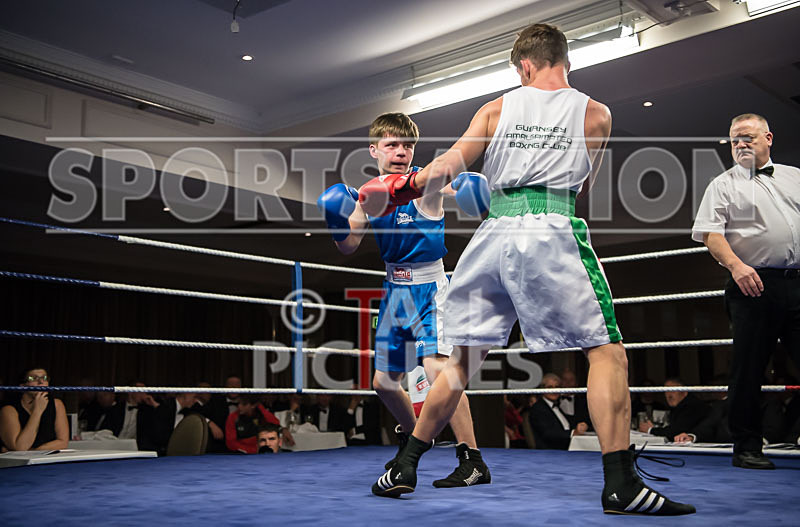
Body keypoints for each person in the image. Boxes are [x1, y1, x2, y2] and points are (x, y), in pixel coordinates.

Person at [359, 24, 695, 515]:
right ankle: (620, 483)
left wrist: (397, 187)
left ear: (524, 66)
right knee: (607, 353)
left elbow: (447, 166)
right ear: (565, 62)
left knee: (460, 362)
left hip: (492, 237)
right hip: (551, 227)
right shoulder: (596, 114)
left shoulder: (496, 108)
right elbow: (583, 188)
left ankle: (405, 465)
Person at [318, 112, 492, 487]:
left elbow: (448, 186)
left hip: (430, 288)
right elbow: (349, 245)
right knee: (383, 382)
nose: (400, 152)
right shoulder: (366, 196)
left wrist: (465, 187)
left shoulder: (425, 183)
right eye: (392, 145)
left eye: (407, 145)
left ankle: (471, 459)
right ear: (374, 149)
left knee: (437, 370)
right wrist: (336, 222)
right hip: (394, 292)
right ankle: (415, 439)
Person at [692, 113, 800, 470]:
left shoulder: (795, 176)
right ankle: (747, 447)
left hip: (797, 282)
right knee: (748, 370)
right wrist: (736, 266)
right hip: (752, 284)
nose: (740, 144)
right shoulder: (722, 185)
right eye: (735, 139)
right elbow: (711, 234)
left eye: (748, 137)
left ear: (768, 138)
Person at [0, 368, 69, 451]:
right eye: (33, 378)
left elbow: (63, 442)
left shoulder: (57, 404)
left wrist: (33, 451)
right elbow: (20, 447)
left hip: (46, 459)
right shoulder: (9, 410)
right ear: (23, 386)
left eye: (44, 378)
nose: (41, 382)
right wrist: (37, 411)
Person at [528, 373, 589, 449]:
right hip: (552, 451)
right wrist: (573, 433)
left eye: (557, 387)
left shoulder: (556, 406)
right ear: (542, 389)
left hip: (567, 447)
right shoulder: (538, 408)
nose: (554, 390)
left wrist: (581, 426)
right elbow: (547, 434)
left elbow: (565, 424)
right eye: (550, 387)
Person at [637, 378, 709, 442]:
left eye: (673, 391)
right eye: (666, 391)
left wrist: (651, 430)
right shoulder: (678, 406)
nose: (669, 395)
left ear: (684, 392)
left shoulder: (692, 406)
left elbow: (675, 431)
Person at [226, 394, 291, 454]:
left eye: (244, 404)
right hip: (242, 452)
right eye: (239, 403)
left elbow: (275, 423)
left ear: (253, 405)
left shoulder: (261, 413)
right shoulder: (233, 417)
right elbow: (231, 443)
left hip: (261, 450)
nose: (239, 407)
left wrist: (260, 407)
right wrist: (251, 451)